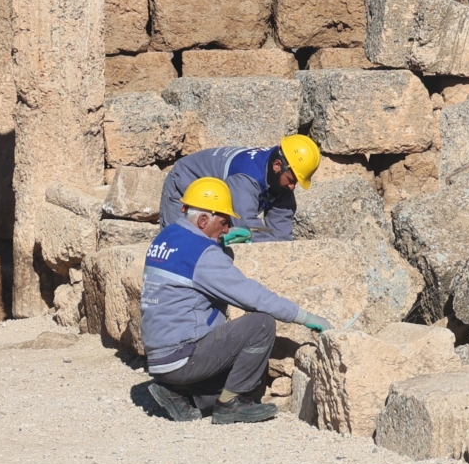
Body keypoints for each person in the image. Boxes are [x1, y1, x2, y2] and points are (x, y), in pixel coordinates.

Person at [139, 176, 331, 425]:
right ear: (203, 220)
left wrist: (219, 244)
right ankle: (230, 404)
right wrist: (305, 317)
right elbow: (253, 297)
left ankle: (177, 392)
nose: (227, 229)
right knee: (260, 325)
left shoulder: (166, 237)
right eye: (224, 222)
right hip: (182, 355)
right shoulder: (203, 255)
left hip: (158, 357)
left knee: (235, 379)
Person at [158, 133, 321, 242]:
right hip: (187, 182)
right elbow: (245, 223)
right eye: (291, 180)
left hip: (222, 191)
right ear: (277, 166)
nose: (293, 187)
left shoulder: (281, 179)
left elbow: (282, 235)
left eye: (297, 183)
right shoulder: (246, 176)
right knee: (179, 242)